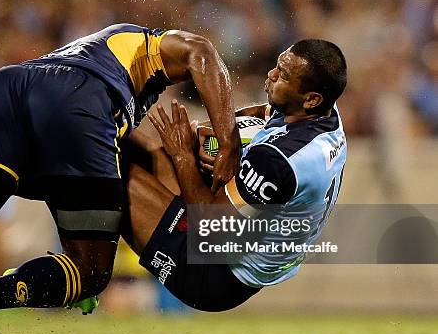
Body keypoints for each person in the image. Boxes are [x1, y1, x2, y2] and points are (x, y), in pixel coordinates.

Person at [0, 23, 240, 334]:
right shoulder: (138, 45)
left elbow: (86, 177)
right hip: (78, 99)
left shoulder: (97, 69)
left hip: (4, 90)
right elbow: (201, 49)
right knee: (89, 271)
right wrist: (228, 139)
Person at [121, 39, 347, 312]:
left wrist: (183, 155)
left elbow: (210, 233)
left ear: (311, 99)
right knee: (126, 145)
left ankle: (81, 276)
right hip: (245, 256)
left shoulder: (278, 161)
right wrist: (226, 142)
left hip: (215, 275)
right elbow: (263, 114)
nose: (271, 75)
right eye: (277, 66)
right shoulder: (322, 113)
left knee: (112, 178)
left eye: (283, 75)